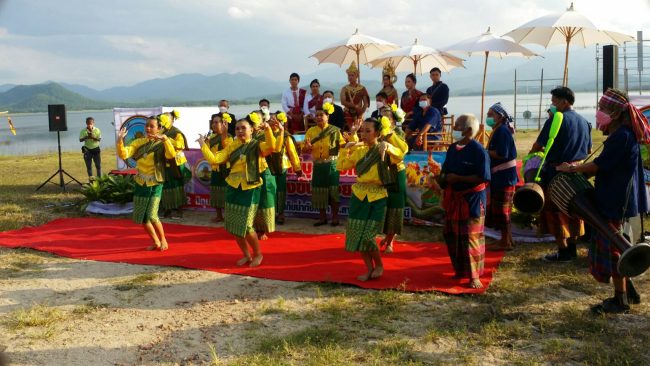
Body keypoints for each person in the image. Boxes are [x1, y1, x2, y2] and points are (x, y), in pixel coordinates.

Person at [556, 89, 648, 313]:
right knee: (618, 244)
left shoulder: (622, 137)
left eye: (602, 109)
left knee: (616, 248)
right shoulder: (620, 135)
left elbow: (598, 165)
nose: (598, 113)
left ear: (615, 113)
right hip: (613, 197)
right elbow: (603, 163)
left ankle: (620, 300)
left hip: (616, 201)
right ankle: (629, 291)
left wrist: (573, 168)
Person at [197, 117, 277, 267]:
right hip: (233, 188)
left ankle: (258, 254)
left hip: (250, 189)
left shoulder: (257, 145)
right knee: (234, 225)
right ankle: (247, 255)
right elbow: (215, 159)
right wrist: (203, 144)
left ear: (251, 130)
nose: (240, 131)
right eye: (238, 129)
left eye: (243, 128)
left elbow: (271, 147)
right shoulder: (232, 146)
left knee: (247, 226)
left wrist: (268, 130)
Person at [337, 117, 405, 281]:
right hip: (359, 196)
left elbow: (401, 153)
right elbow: (341, 166)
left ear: (377, 133)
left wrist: (388, 146)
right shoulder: (359, 150)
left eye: (368, 131)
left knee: (368, 236)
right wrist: (344, 149)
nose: (364, 134)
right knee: (358, 235)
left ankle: (379, 265)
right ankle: (369, 269)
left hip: (378, 196)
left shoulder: (384, 149)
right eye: (362, 131)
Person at [529, 86, 592, 262]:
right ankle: (571, 248)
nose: (552, 104)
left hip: (557, 173)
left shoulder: (556, 119)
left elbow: (538, 145)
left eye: (554, 101)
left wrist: (531, 156)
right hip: (577, 173)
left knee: (555, 212)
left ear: (564, 102)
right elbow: (588, 149)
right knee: (574, 210)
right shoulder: (584, 122)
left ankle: (564, 251)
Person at [439, 114, 490, 289]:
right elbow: (445, 171)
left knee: (470, 237)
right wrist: (442, 179)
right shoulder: (453, 148)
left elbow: (483, 177)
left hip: (472, 200)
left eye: (457, 126)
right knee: (452, 236)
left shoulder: (478, 150)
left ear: (468, 130)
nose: (454, 129)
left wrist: (458, 178)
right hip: (454, 198)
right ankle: (460, 270)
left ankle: (474, 276)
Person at [117, 116, 176, 251]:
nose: (148, 128)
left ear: (159, 128)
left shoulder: (163, 143)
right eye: (147, 126)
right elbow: (124, 154)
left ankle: (163, 239)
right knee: (142, 216)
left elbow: (171, 155)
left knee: (152, 215)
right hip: (141, 183)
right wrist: (120, 140)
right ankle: (155, 242)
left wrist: (166, 140)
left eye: (152, 126)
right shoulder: (139, 142)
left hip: (155, 183)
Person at [303, 102, 353, 226]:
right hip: (318, 165)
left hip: (331, 165)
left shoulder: (335, 130)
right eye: (317, 115)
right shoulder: (311, 131)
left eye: (321, 115)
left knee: (333, 192)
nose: (319, 117)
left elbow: (342, 145)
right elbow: (304, 149)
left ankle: (335, 217)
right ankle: (322, 218)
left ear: (327, 116)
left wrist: (350, 139)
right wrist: (307, 147)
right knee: (319, 192)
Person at [485, 103, 518, 251]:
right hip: (501, 176)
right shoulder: (498, 130)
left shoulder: (502, 131)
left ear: (500, 116)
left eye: (491, 115)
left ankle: (505, 241)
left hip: (504, 176)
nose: (488, 118)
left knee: (502, 211)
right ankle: (508, 239)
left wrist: (483, 152)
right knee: (503, 210)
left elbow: (501, 153)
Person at [378, 108, 408, 253]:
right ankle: (386, 236)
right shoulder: (378, 133)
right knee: (385, 208)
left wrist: (389, 136)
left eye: (387, 117)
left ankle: (390, 241)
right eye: (382, 117)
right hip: (383, 173)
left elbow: (402, 152)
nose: (383, 119)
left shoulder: (399, 133)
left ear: (393, 120)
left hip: (396, 173)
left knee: (395, 207)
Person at [249, 113, 282, 240]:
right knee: (253, 200)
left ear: (263, 121)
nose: (256, 123)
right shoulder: (247, 135)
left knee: (265, 199)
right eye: (253, 120)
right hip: (251, 171)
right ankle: (252, 227)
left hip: (265, 170)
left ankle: (263, 229)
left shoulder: (267, 134)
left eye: (258, 120)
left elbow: (275, 148)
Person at [201, 113, 233, 223]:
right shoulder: (211, 138)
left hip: (226, 170)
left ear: (223, 123)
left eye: (216, 122)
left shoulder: (229, 137)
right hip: (215, 169)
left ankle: (229, 216)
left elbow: (227, 150)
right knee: (215, 192)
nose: (214, 125)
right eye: (213, 122)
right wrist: (204, 143)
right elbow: (207, 153)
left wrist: (223, 134)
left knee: (227, 193)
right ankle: (219, 215)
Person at [159, 111, 190, 219]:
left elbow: (180, 145)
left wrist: (168, 140)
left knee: (177, 186)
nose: (165, 121)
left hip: (176, 163)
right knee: (166, 186)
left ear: (173, 120)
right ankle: (167, 210)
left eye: (167, 118)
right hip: (165, 162)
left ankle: (179, 210)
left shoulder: (177, 133)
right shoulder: (161, 131)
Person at [340, 61, 370, 131]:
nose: (350, 77)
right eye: (349, 75)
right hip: (347, 112)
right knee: (348, 129)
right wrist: (354, 106)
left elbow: (365, 103)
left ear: (357, 76)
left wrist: (361, 112)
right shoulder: (344, 88)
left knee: (360, 129)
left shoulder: (362, 88)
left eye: (352, 75)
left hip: (359, 112)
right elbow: (343, 101)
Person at [79, 117, 102, 181]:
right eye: (88, 123)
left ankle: (100, 180)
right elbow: (80, 140)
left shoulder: (97, 130)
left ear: (93, 123)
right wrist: (86, 137)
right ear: (86, 123)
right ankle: (91, 181)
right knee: (89, 167)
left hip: (96, 149)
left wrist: (92, 137)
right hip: (87, 150)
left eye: (91, 123)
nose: (89, 125)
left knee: (98, 166)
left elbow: (99, 139)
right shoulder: (83, 131)